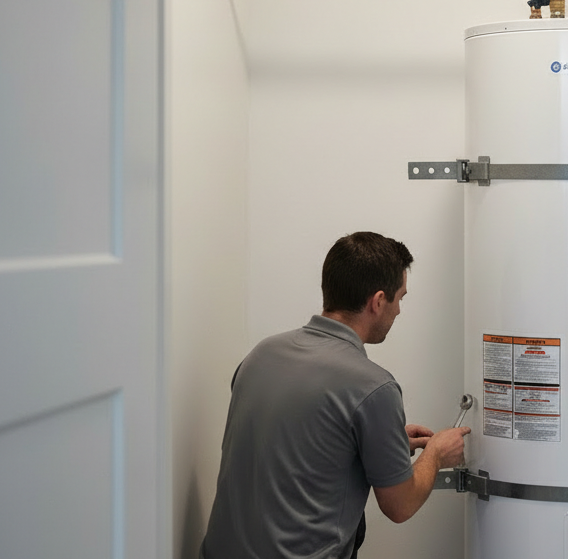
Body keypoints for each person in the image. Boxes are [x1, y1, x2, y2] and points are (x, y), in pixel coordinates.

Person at [200, 231, 470, 558]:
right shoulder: (374, 386)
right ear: (378, 301)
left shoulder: (262, 354)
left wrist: (382, 441)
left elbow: (292, 439)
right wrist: (437, 453)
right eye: (400, 298)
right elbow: (400, 505)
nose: (399, 310)